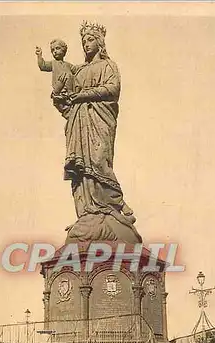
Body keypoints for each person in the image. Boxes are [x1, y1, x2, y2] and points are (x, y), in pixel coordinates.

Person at [57, 21, 137, 238]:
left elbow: (113, 89)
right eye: (83, 41)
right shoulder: (79, 70)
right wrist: (61, 100)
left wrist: (83, 95)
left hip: (99, 119)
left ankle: (114, 205)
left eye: (90, 39)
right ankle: (88, 211)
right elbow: (69, 99)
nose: (86, 44)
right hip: (78, 123)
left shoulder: (108, 66)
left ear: (100, 42)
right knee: (81, 168)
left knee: (99, 159)